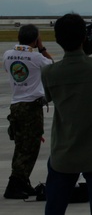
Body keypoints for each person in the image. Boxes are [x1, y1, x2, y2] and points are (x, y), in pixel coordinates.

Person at [40, 13, 92, 215]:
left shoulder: (49, 72)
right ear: (85, 37)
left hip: (63, 152)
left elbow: (47, 97)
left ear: (58, 40)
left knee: (54, 208)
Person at [4, 24, 53, 199]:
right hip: (31, 107)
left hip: (16, 106)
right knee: (30, 148)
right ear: (35, 39)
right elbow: (53, 66)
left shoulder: (8, 54)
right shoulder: (37, 57)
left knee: (21, 146)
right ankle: (16, 183)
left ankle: (21, 181)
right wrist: (42, 47)